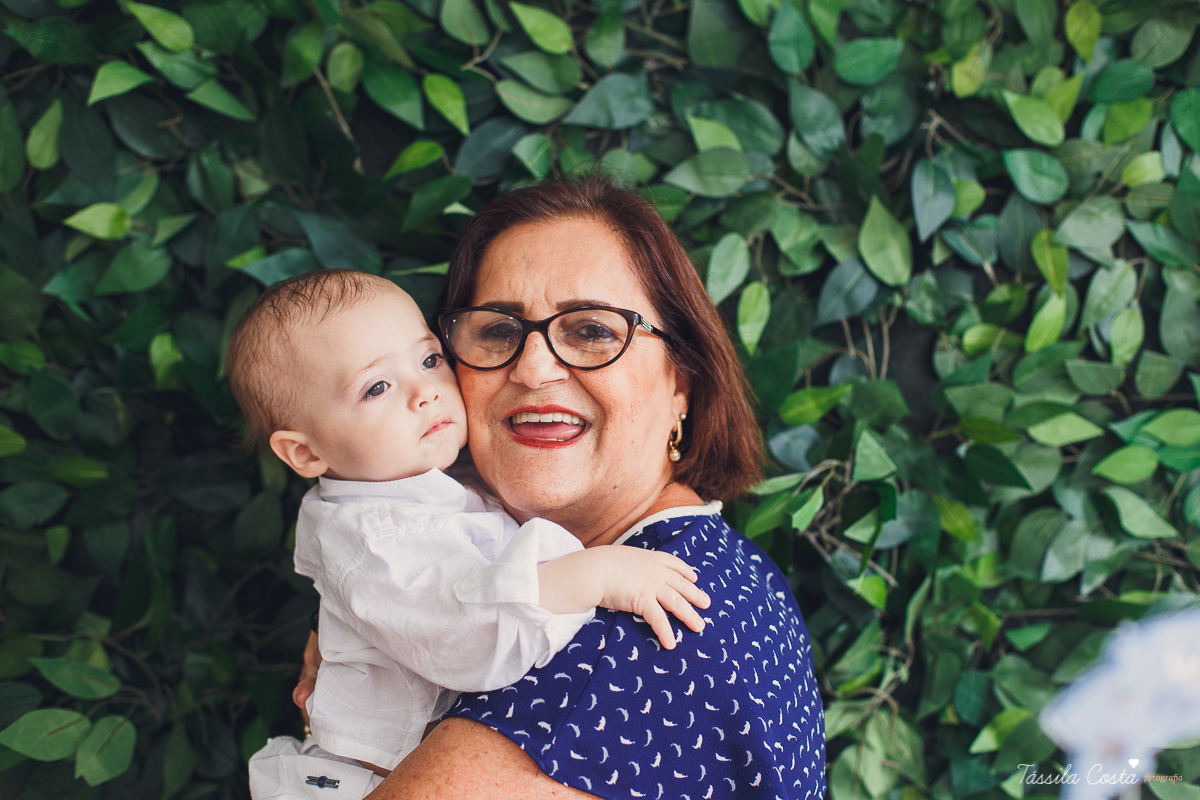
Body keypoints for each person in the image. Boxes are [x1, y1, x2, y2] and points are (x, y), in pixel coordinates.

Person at [292, 176, 828, 800]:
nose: (534, 366)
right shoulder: (722, 569)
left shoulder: (641, 621)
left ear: (681, 381)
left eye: (592, 330)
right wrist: (371, 610)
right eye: (496, 330)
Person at [224, 270, 712, 798]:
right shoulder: (376, 538)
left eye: (430, 360)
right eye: (377, 387)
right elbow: (472, 636)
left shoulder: (427, 486)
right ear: (306, 454)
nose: (425, 394)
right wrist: (594, 576)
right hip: (365, 780)